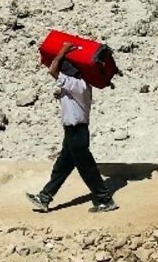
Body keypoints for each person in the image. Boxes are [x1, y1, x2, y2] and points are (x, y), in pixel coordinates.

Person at [26, 42, 118, 213]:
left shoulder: (78, 85)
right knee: (62, 166)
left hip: (77, 132)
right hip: (72, 132)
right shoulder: (76, 85)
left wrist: (61, 52)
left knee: (87, 168)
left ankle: (105, 200)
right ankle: (44, 197)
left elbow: (52, 71)